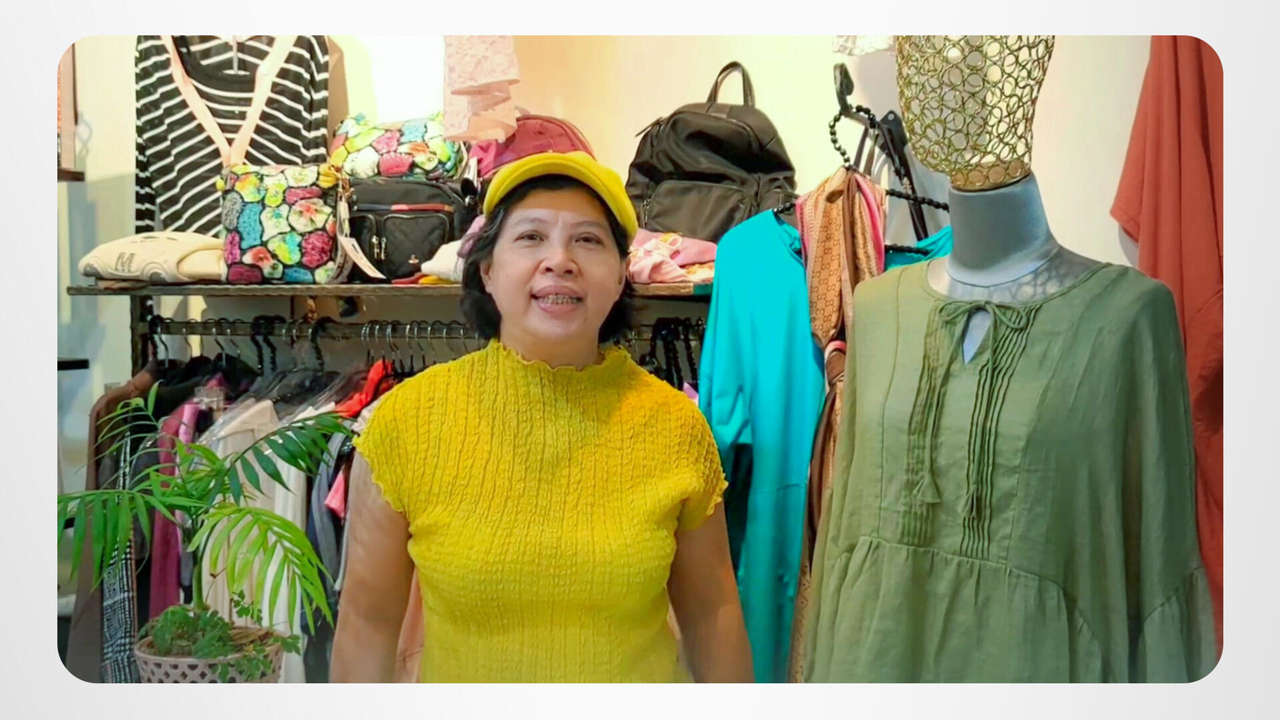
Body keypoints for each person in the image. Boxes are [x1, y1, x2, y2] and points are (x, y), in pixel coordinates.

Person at [330, 151, 753, 682]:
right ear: (487, 270)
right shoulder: (406, 423)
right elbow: (367, 623)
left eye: (588, 240)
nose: (560, 260)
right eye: (531, 236)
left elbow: (713, 614)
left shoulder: (676, 426)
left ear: (620, 275)